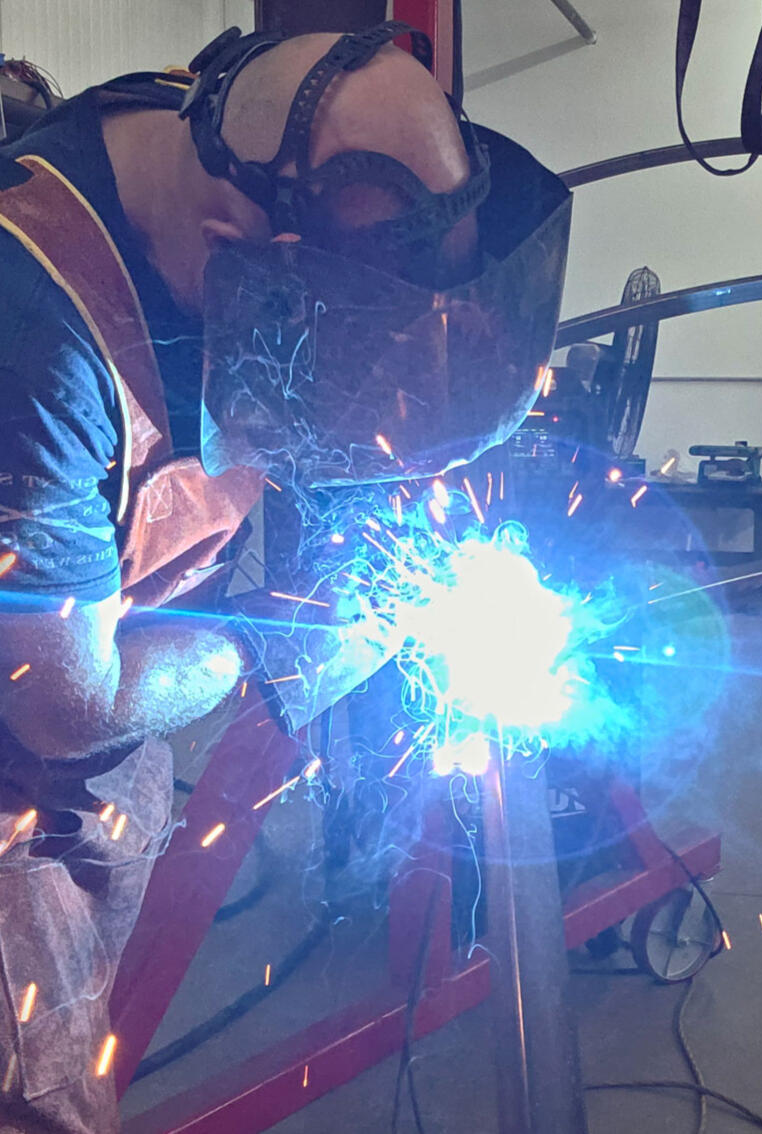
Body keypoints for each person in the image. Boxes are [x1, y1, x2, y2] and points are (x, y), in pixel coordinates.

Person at [0, 22, 570, 1133]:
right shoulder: (32, 330)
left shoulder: (219, 128)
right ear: (230, 252)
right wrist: (276, 646)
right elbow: (65, 705)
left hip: (93, 742)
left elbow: (344, 388)